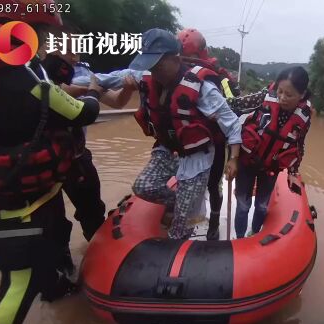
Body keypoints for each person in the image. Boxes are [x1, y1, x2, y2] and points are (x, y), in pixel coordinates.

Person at [0, 1, 103, 324]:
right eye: (40, 34)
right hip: (10, 196)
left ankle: (56, 289)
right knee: (21, 280)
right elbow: (78, 112)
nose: (43, 42)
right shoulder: (17, 74)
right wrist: (95, 95)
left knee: (46, 249)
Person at [130, 28, 241, 242]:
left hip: (205, 147)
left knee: (213, 186)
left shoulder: (206, 82)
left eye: (159, 66)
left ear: (178, 57)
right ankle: (178, 204)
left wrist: (233, 158)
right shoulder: (150, 77)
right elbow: (113, 81)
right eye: (150, 67)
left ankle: (213, 223)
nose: (154, 72)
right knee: (144, 186)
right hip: (171, 146)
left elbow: (231, 121)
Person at [41, 33, 139, 247]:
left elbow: (117, 102)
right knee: (51, 219)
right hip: (45, 162)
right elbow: (57, 91)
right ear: (48, 51)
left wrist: (128, 88)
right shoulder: (35, 80)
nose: (74, 58)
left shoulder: (84, 77)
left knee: (93, 211)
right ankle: (62, 261)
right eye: (69, 51)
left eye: (76, 51)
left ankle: (98, 254)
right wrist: (89, 89)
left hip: (77, 158)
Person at [228, 66, 313, 238]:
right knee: (243, 206)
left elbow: (299, 144)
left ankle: (255, 234)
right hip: (247, 162)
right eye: (280, 91)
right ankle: (240, 238)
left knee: (261, 206)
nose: (282, 98)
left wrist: (293, 171)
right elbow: (234, 104)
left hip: (271, 168)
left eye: (289, 95)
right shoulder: (264, 97)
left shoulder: (304, 116)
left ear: (302, 95)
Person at [177, 28, 240, 240]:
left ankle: (213, 221)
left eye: (191, 58)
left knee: (214, 185)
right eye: (183, 57)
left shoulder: (219, 79)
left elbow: (230, 108)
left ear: (201, 55)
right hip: (190, 144)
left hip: (215, 142)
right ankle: (192, 221)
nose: (187, 62)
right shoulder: (176, 77)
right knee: (188, 185)